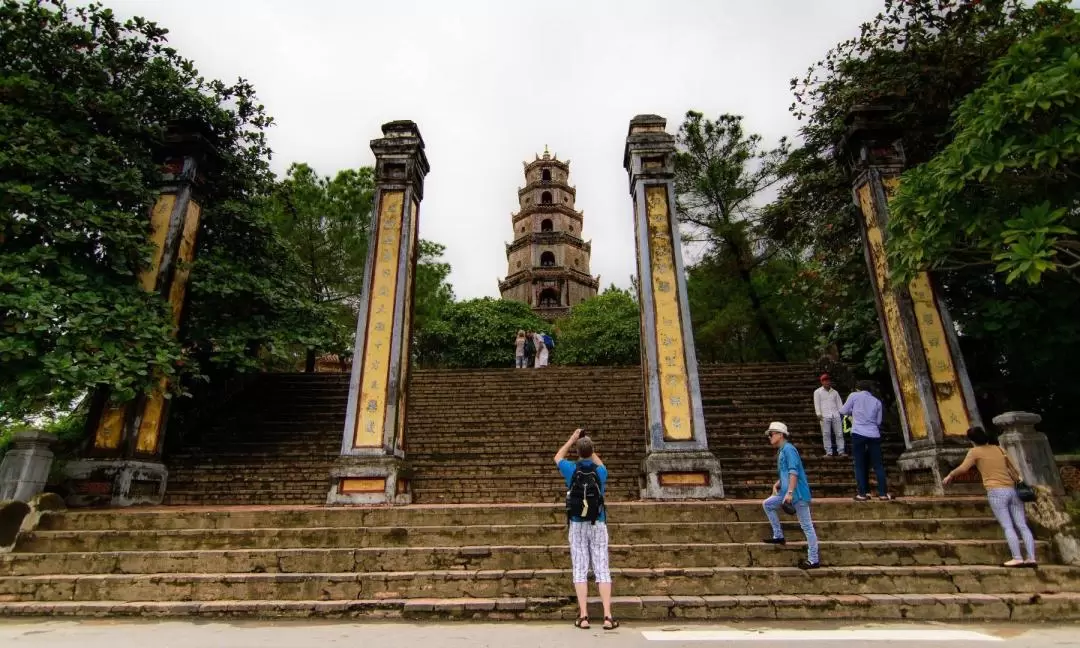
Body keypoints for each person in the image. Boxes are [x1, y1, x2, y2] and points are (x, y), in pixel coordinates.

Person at [943, 426, 1037, 568]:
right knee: (1022, 525)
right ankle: (1031, 558)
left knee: (1007, 526)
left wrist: (950, 475)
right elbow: (1015, 469)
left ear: (971, 440)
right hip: (1013, 490)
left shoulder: (974, 452)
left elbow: (963, 468)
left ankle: (1017, 557)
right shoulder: (999, 449)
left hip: (996, 491)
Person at [554, 428, 618, 631]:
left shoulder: (571, 470)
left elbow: (557, 456)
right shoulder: (600, 472)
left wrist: (573, 439)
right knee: (602, 569)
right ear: (592, 451)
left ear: (578, 452)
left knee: (580, 569)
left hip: (577, 523)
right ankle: (607, 616)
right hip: (597, 522)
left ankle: (583, 616)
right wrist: (587, 447)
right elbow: (600, 463)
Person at [761, 421, 821, 570]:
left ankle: (813, 559)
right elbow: (786, 472)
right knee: (768, 504)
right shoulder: (782, 450)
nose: (769, 437)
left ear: (780, 435)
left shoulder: (789, 449)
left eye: (771, 434)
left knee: (807, 526)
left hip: (797, 494)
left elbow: (794, 471)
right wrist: (778, 483)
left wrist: (790, 492)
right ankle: (778, 535)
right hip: (786, 493)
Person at [839, 381, 894, 501]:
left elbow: (843, 411)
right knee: (878, 465)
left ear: (858, 389)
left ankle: (863, 494)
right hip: (874, 434)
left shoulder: (854, 396)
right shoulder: (876, 401)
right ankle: (883, 493)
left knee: (859, 464)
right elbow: (879, 422)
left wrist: (852, 411)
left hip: (858, 432)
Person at [813, 373, 845, 457]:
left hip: (835, 415)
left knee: (839, 433)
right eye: (825, 381)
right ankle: (828, 452)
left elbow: (839, 404)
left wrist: (842, 413)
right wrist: (818, 414)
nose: (827, 382)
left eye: (828, 380)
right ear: (822, 382)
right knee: (826, 434)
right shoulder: (817, 392)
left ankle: (841, 451)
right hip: (824, 415)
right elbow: (817, 403)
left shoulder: (835, 392)